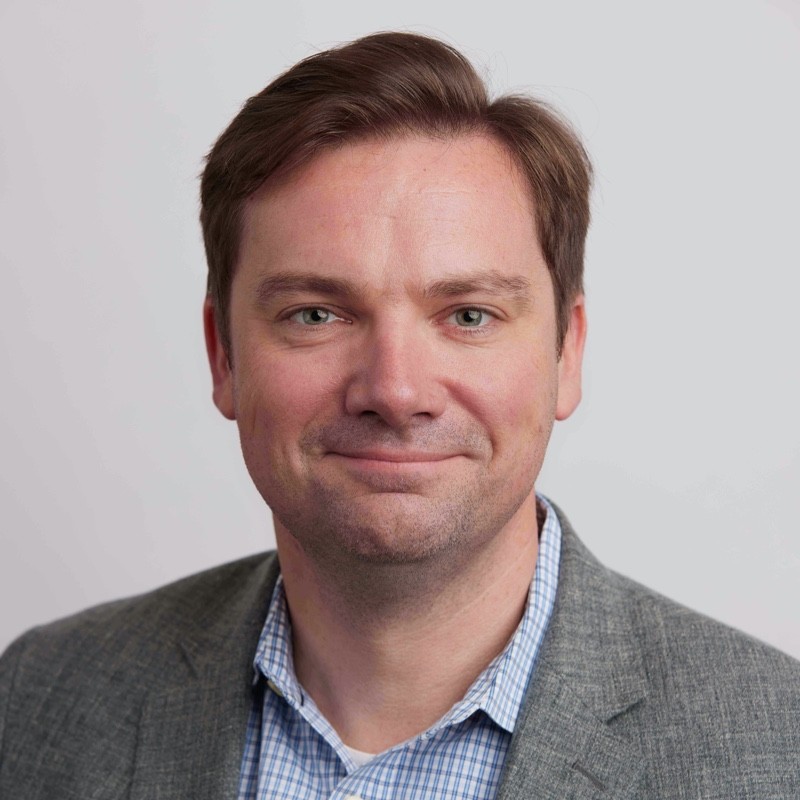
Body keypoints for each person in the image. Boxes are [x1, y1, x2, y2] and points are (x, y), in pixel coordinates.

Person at [0, 31, 798, 800]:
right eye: (316, 315)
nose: (395, 389)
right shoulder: (42, 699)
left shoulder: (777, 749)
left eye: (470, 315)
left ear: (567, 353)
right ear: (223, 357)